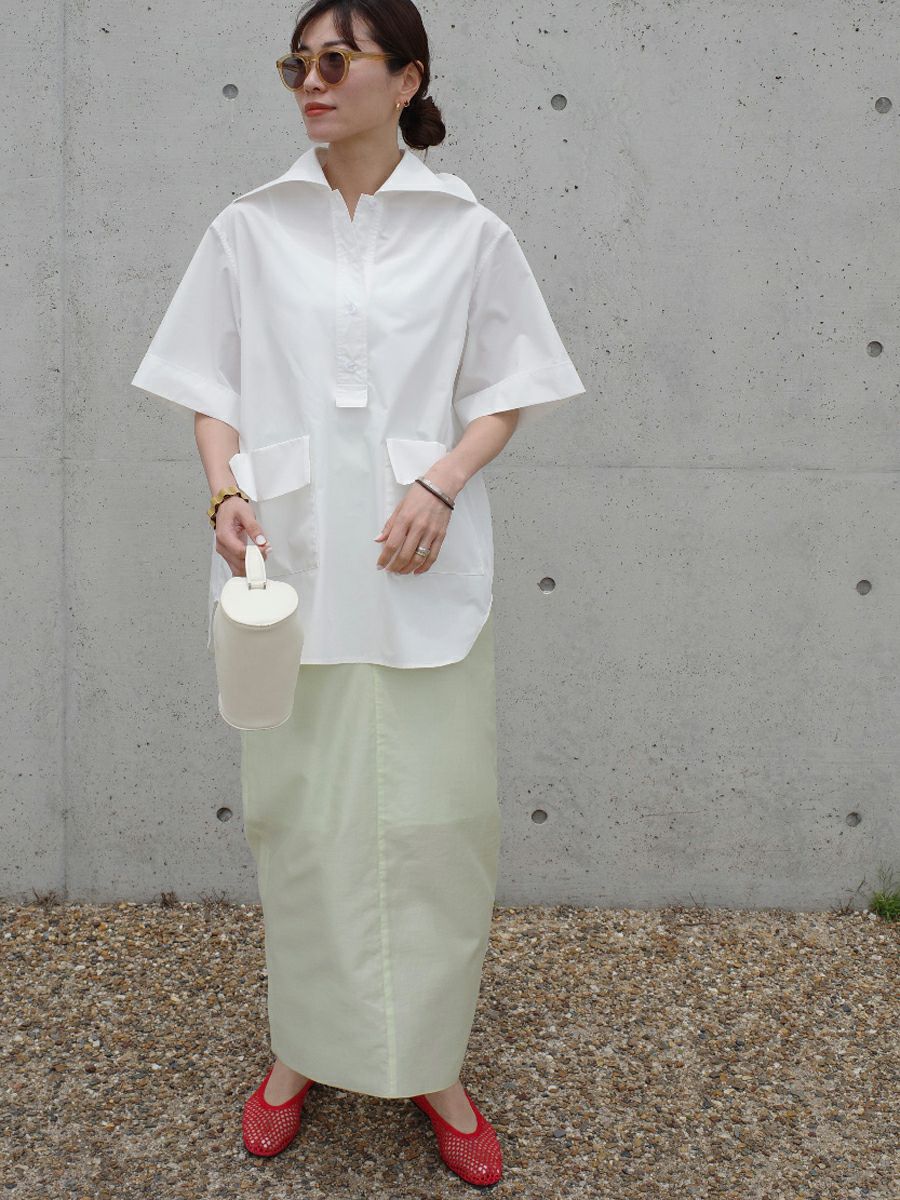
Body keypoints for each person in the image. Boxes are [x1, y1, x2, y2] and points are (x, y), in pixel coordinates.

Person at [131, 0, 586, 1187]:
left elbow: (511, 385)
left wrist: (441, 483)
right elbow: (209, 384)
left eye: (338, 60)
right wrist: (221, 492)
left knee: (441, 825)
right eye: (299, 62)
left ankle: (435, 1066)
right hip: (287, 571)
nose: (312, 82)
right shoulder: (249, 226)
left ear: (407, 78)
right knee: (299, 822)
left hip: (417, 571)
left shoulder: (467, 231)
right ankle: (300, 1052)